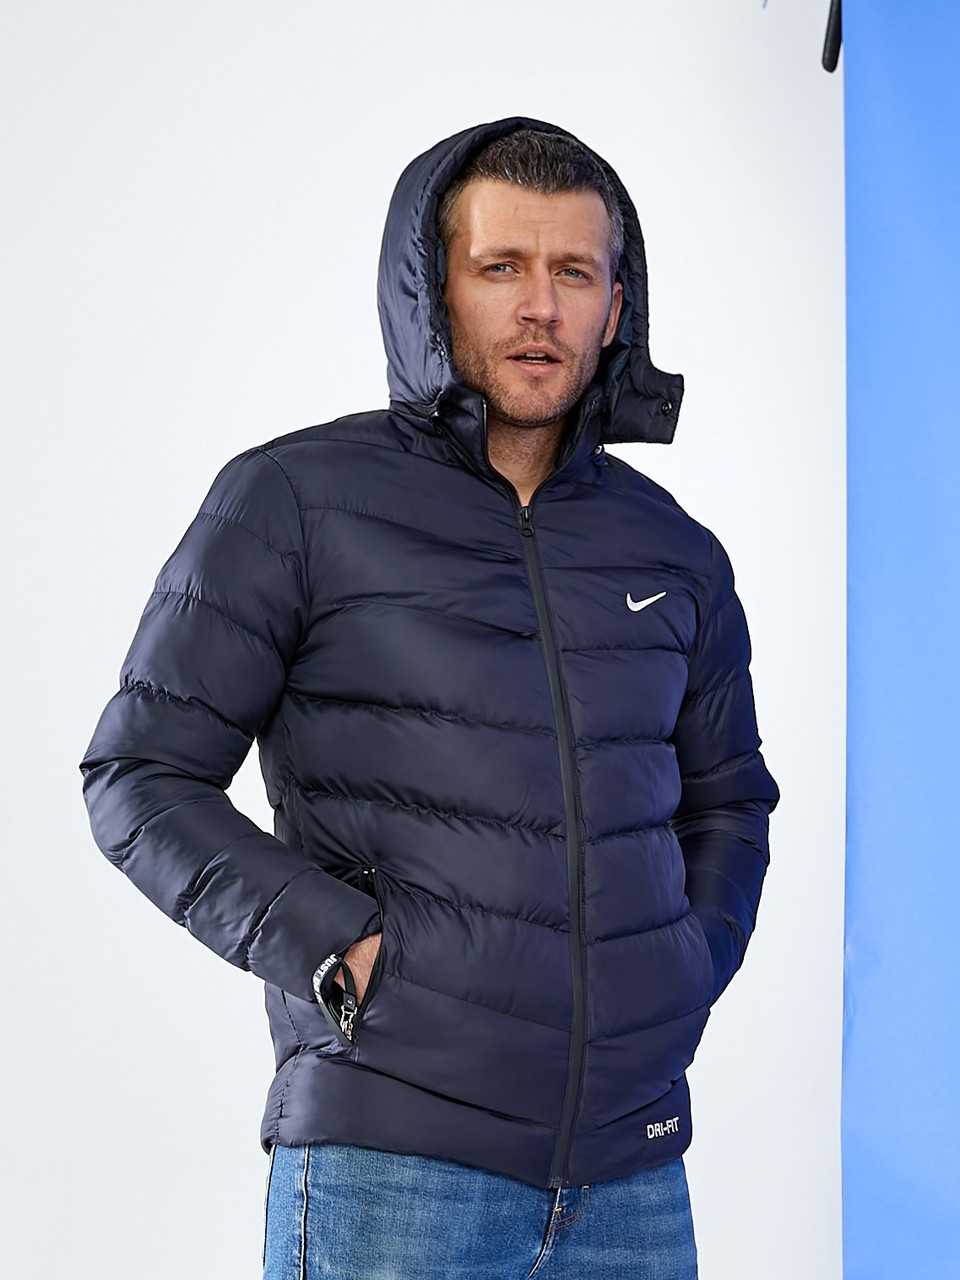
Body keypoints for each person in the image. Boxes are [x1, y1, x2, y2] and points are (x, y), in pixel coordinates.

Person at [82, 118, 778, 1279]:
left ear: (616, 305)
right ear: (432, 286)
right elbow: (139, 776)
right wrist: (340, 945)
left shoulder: (674, 549)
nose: (540, 307)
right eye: (502, 266)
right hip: (393, 1162)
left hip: (635, 1173)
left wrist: (683, 966)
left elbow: (731, 800)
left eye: (574, 272)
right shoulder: (296, 500)